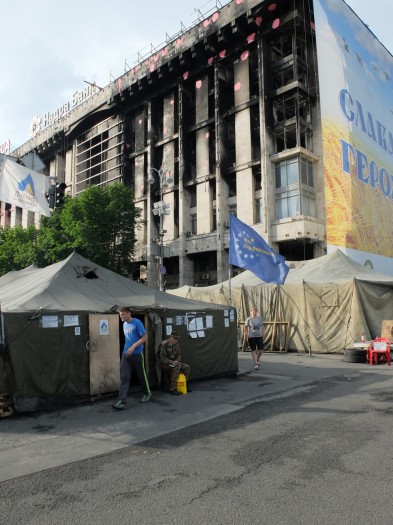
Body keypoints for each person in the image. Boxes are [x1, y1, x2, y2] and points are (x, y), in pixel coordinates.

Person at [113, 307, 151, 410]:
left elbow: (145, 337)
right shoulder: (124, 324)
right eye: (120, 314)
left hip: (137, 354)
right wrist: (127, 349)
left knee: (141, 375)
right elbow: (128, 338)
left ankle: (147, 393)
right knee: (124, 377)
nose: (121, 316)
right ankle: (122, 401)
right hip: (126, 354)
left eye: (123, 314)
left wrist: (133, 347)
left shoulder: (137, 323)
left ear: (129, 313)